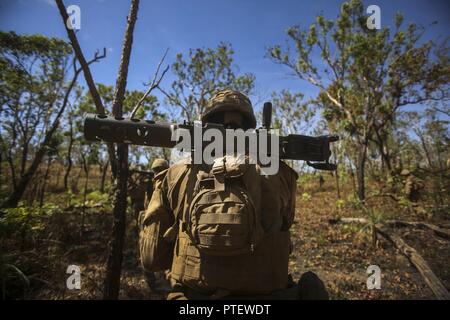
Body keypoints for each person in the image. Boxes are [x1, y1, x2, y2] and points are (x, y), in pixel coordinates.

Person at [139, 89, 328, 300]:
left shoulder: (177, 172)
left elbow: (151, 258)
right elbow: (283, 228)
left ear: (205, 122)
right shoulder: (280, 172)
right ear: (249, 126)